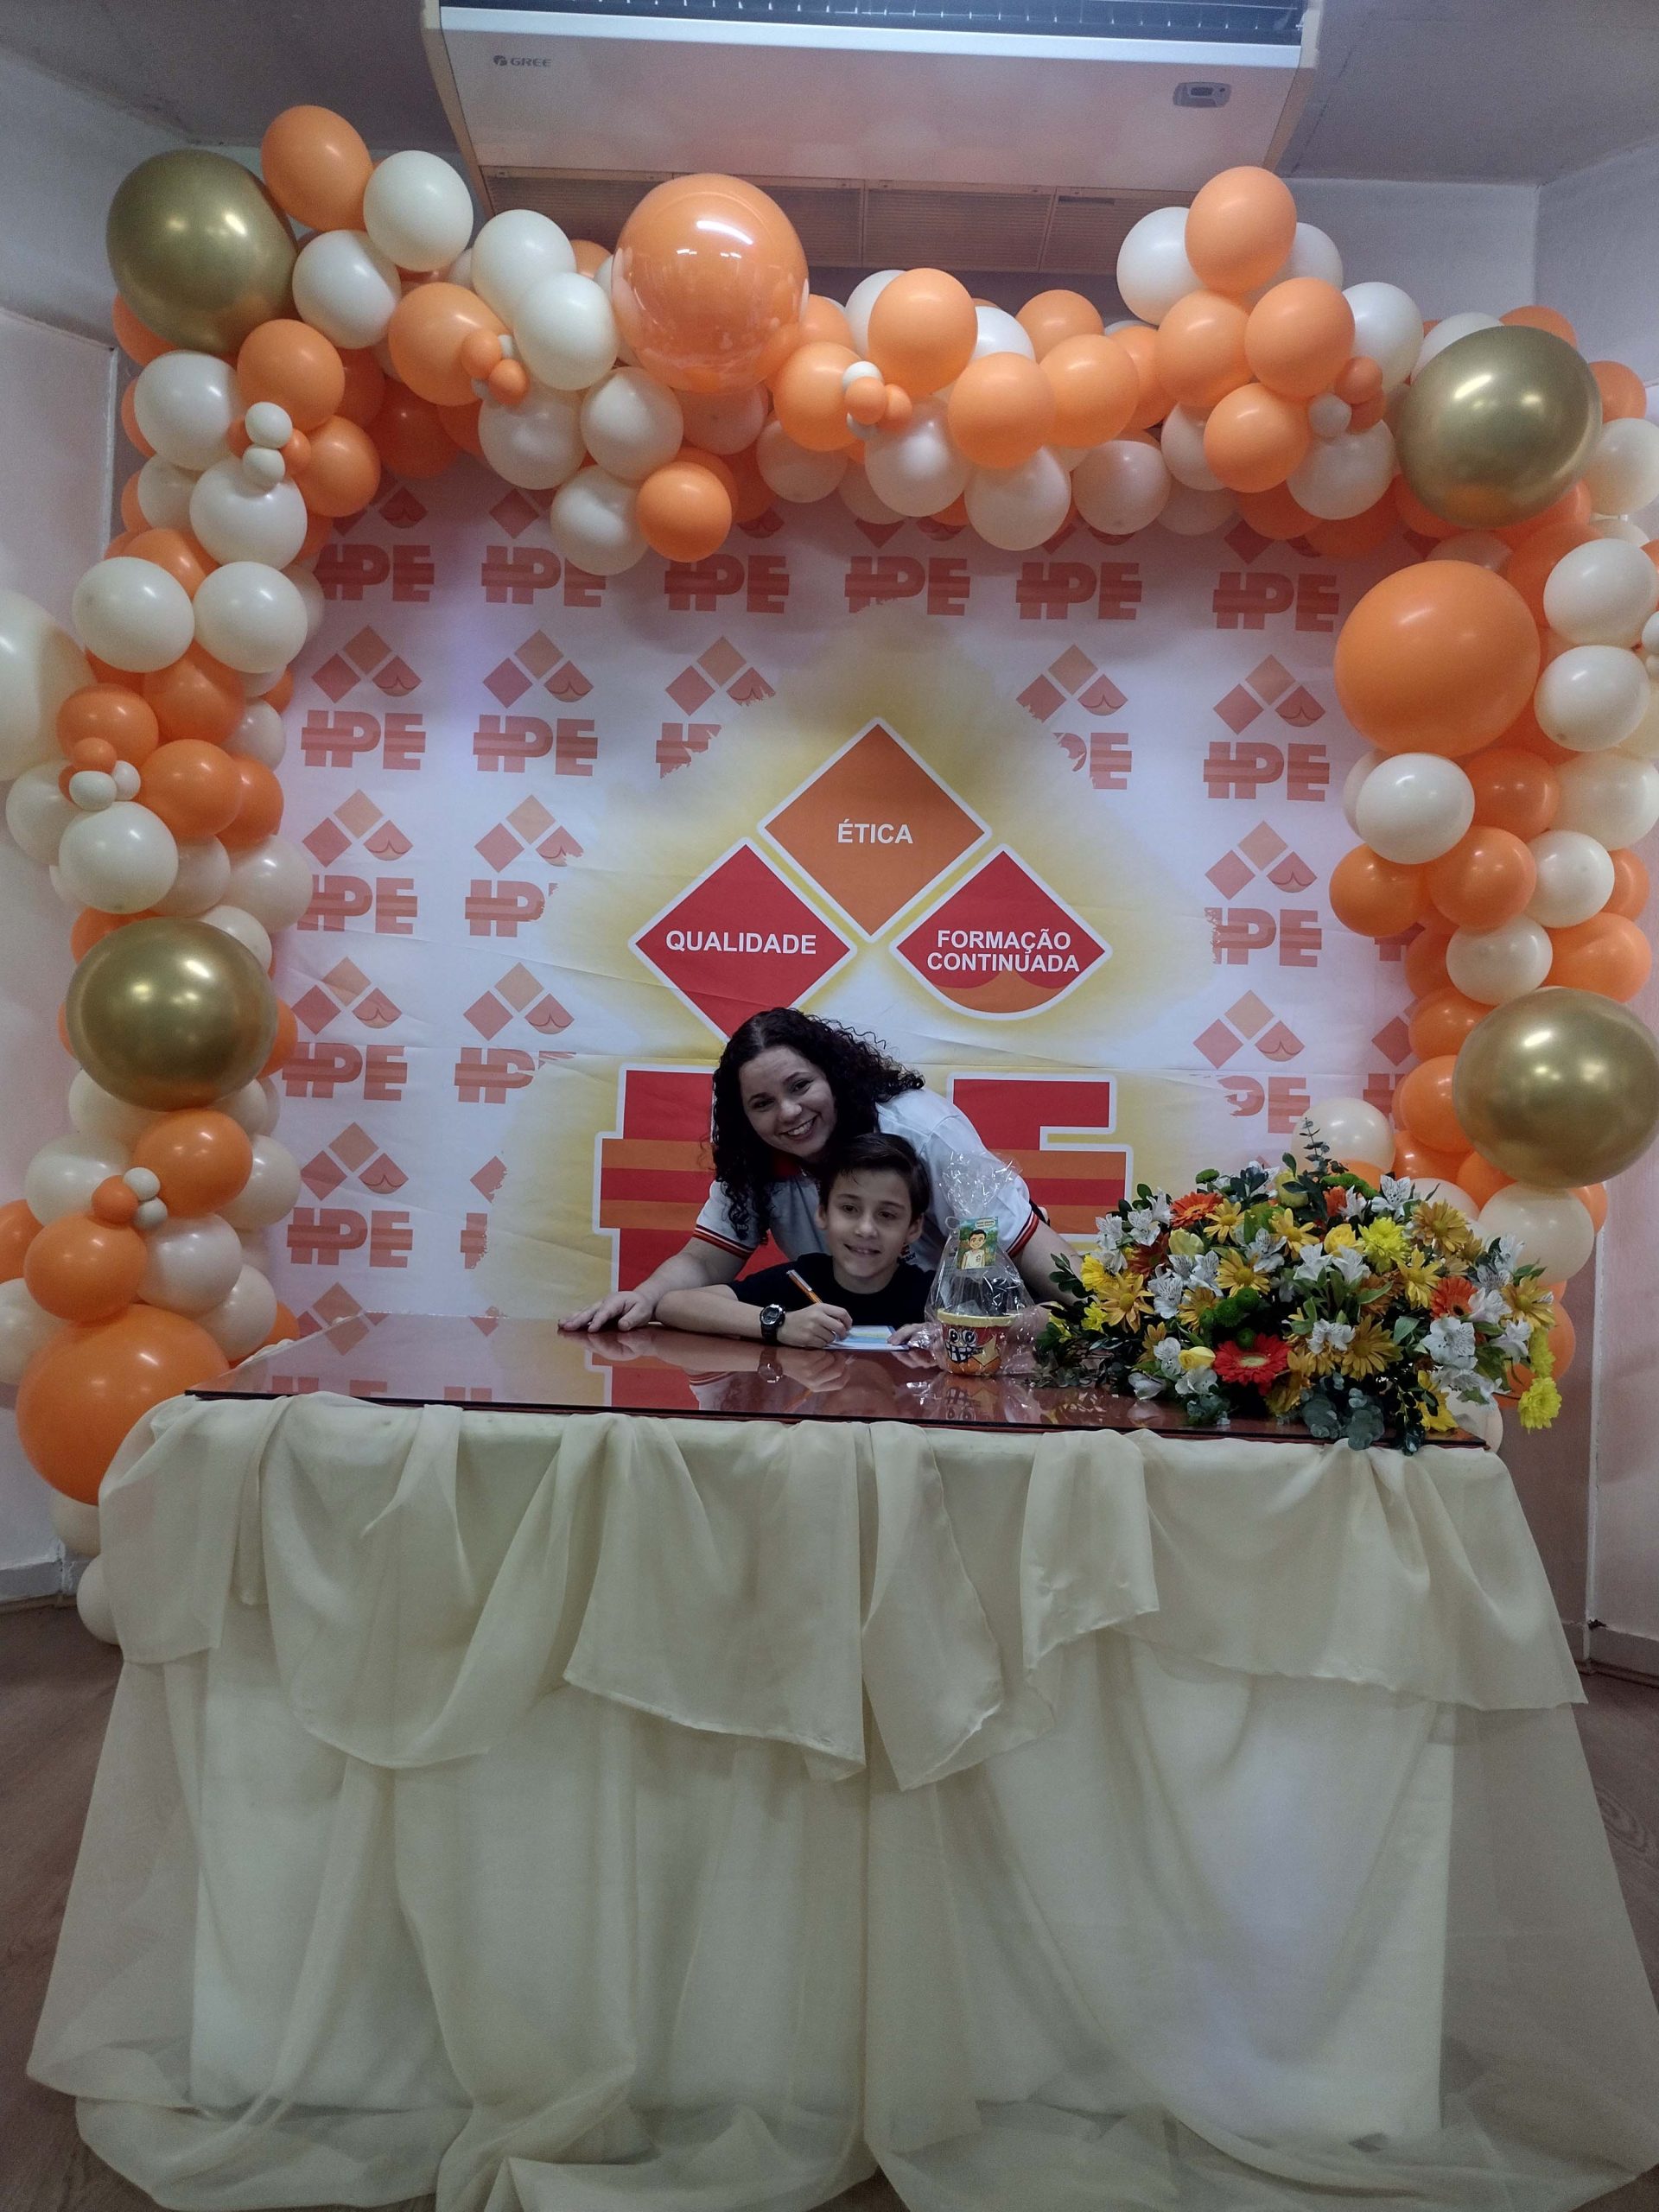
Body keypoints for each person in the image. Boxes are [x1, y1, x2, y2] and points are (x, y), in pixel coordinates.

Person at [563, 1007, 1077, 1332]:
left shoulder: (923, 1129)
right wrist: (643, 1299)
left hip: (980, 1336)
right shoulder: (755, 1157)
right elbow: (702, 1263)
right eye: (762, 1103)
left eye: (800, 1086)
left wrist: (1106, 1316)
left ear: (832, 1076)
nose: (788, 1112)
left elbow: (1026, 1244)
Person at [655, 1133, 934, 1348]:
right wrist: (780, 1324)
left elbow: (962, 1337)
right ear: (822, 1213)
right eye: (849, 1209)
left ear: (913, 1227)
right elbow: (674, 1304)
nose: (865, 1229)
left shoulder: (932, 1296)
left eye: (887, 1215)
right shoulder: (797, 1280)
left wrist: (944, 1336)